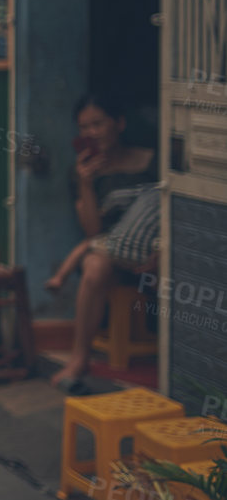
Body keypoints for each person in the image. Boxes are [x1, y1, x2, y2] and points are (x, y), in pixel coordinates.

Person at [46, 91, 159, 390]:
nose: (91, 133)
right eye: (84, 128)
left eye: (98, 124)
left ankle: (179, 362)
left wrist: (161, 251)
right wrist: (85, 183)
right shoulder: (81, 173)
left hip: (155, 251)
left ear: (119, 123)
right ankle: (79, 358)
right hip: (112, 254)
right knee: (94, 264)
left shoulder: (150, 160)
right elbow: (92, 232)